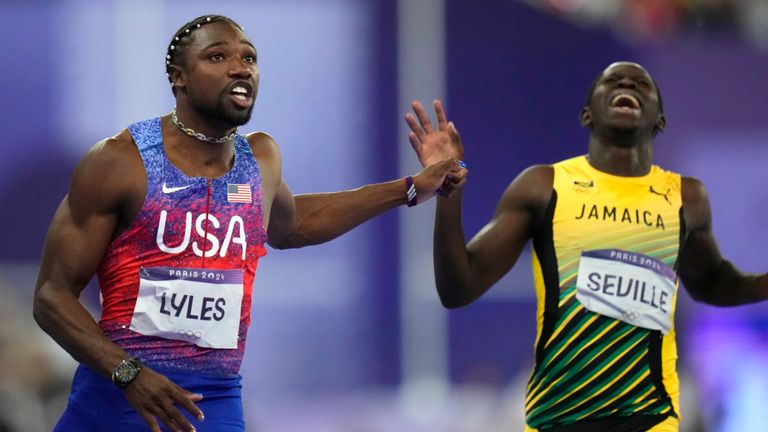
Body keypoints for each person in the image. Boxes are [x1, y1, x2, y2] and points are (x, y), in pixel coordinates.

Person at [33, 14, 466, 432]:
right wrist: (129, 373)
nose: (240, 68)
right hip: (117, 395)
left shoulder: (260, 159)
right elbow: (52, 297)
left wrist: (411, 187)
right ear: (179, 77)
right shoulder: (120, 161)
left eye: (249, 57)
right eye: (217, 57)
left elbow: (293, 225)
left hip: (213, 401)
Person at [405, 61, 768, 432]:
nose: (626, 83)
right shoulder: (543, 186)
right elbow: (458, 288)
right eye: (612, 81)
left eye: (641, 83)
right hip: (558, 418)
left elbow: (712, 282)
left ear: (659, 119)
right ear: (586, 114)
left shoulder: (686, 197)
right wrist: (447, 191)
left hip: (650, 419)